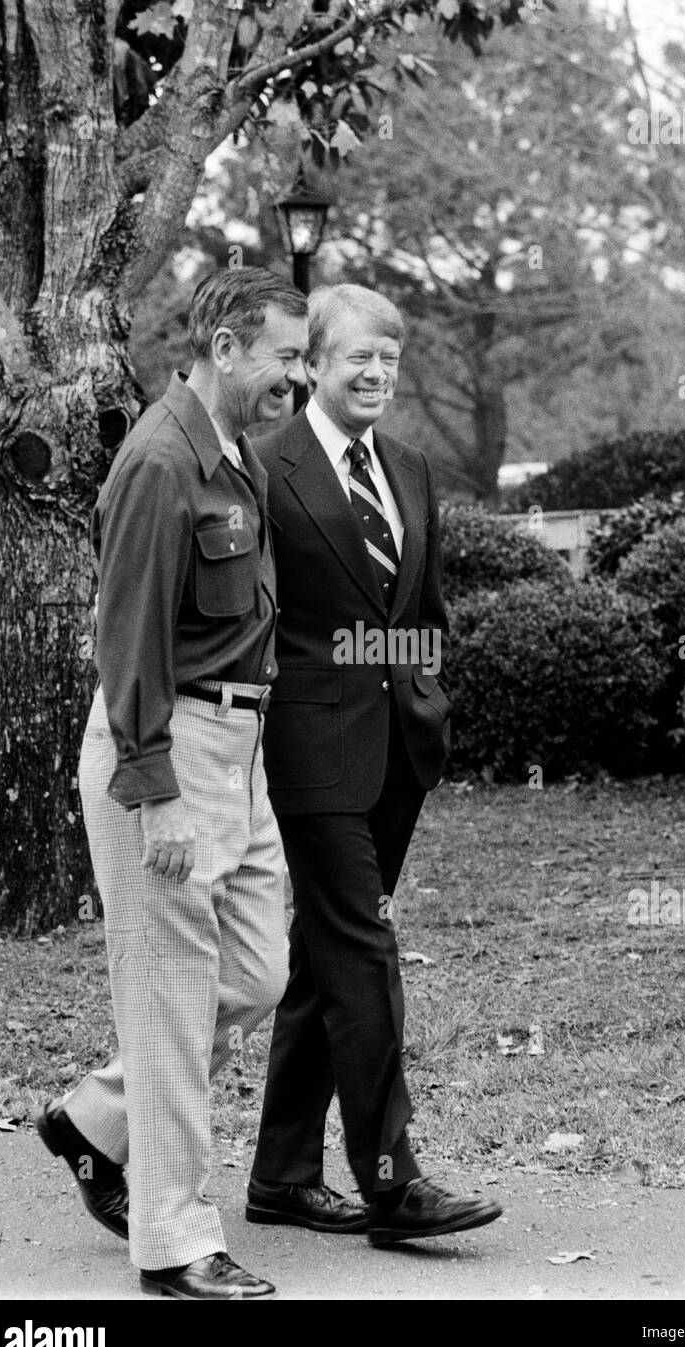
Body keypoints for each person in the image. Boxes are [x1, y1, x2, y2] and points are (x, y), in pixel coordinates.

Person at [35, 268, 309, 1300]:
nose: (298, 374)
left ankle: (94, 1118)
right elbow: (127, 636)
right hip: (167, 747)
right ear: (227, 346)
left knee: (257, 973)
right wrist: (153, 789)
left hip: (236, 752)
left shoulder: (235, 453)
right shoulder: (158, 459)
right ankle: (175, 1243)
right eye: (285, 355)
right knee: (171, 1001)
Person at [246, 283, 502, 1245]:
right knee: (362, 953)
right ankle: (393, 1183)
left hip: (401, 753)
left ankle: (279, 1177)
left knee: (320, 962)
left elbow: (422, 610)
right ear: (310, 362)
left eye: (391, 359)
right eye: (359, 356)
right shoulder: (266, 467)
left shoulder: (410, 466)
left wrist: (427, 699)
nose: (377, 373)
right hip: (309, 753)